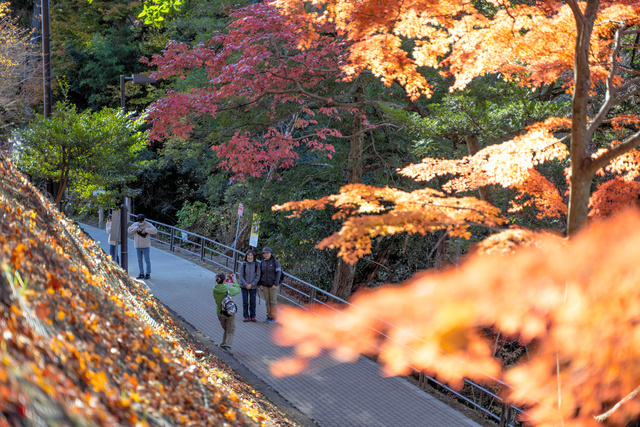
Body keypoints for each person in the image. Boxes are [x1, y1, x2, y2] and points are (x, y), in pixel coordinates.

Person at [213, 272, 240, 350]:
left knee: (226, 329)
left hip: (220, 313)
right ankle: (228, 345)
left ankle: (223, 344)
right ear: (224, 281)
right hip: (229, 313)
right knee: (231, 329)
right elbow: (237, 290)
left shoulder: (214, 289)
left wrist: (225, 280)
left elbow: (221, 285)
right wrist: (234, 280)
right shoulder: (228, 289)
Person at [127, 214, 157, 279]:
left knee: (147, 260)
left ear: (143, 220)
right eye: (139, 221)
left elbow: (155, 230)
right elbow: (129, 230)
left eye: (141, 221)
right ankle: (141, 273)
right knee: (139, 260)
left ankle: (148, 273)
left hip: (145, 245)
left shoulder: (147, 224)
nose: (140, 223)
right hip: (137, 246)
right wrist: (136, 229)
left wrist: (146, 230)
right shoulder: (136, 224)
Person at [258, 247, 282, 323]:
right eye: (264, 253)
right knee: (267, 301)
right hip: (264, 285)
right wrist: (260, 284)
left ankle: (274, 317)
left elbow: (279, 273)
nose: (266, 255)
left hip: (273, 285)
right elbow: (260, 274)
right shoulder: (262, 262)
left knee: (273, 301)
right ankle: (269, 316)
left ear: (270, 254)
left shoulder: (275, 262)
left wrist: (276, 283)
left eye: (267, 253)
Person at [239, 249, 260, 322]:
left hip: (253, 286)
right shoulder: (243, 265)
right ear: (246, 256)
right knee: (245, 301)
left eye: (251, 255)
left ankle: (253, 316)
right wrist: (246, 284)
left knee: (253, 301)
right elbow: (241, 276)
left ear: (253, 256)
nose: (250, 257)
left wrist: (251, 284)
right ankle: (246, 316)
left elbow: (258, 276)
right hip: (244, 286)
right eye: (248, 255)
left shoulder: (257, 265)